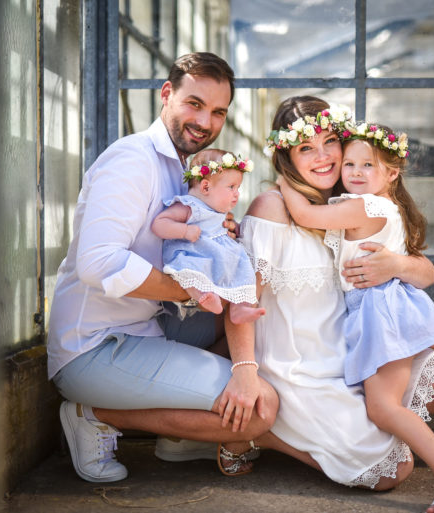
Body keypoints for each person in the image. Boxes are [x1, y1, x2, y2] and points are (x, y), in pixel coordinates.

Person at [277, 120, 434, 513]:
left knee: (383, 407)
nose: (355, 172)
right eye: (350, 164)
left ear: (392, 173)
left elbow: (304, 215)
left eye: (368, 165)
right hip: (399, 305)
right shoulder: (383, 205)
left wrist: (283, 180)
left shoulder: (365, 205)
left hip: (377, 310)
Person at [46, 52, 278, 483]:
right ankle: (92, 414)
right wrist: (191, 291)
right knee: (259, 408)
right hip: (97, 346)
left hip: (153, 325)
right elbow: (98, 262)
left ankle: (177, 439)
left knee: (251, 324)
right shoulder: (133, 160)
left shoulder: (183, 168)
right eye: (195, 103)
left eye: (218, 112)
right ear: (167, 94)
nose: (205, 122)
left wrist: (216, 233)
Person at [233, 97, 434, 496]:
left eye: (329, 143)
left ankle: (357, 426)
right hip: (297, 366)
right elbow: (242, 301)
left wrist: (395, 264)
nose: (323, 157)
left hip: (349, 354)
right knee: (394, 471)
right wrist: (245, 372)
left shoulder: (352, 198)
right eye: (306, 148)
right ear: (286, 156)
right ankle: (259, 435)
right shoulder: (272, 207)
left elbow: (427, 271)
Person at [152, 149, 265, 325]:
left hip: (218, 255)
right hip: (193, 253)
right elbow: (159, 223)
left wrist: (235, 228)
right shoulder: (190, 206)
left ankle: (239, 308)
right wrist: (184, 231)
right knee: (191, 271)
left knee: (244, 266)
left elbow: (223, 227)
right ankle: (203, 296)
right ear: (205, 187)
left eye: (238, 188)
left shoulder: (218, 210)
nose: (237, 193)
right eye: (231, 187)